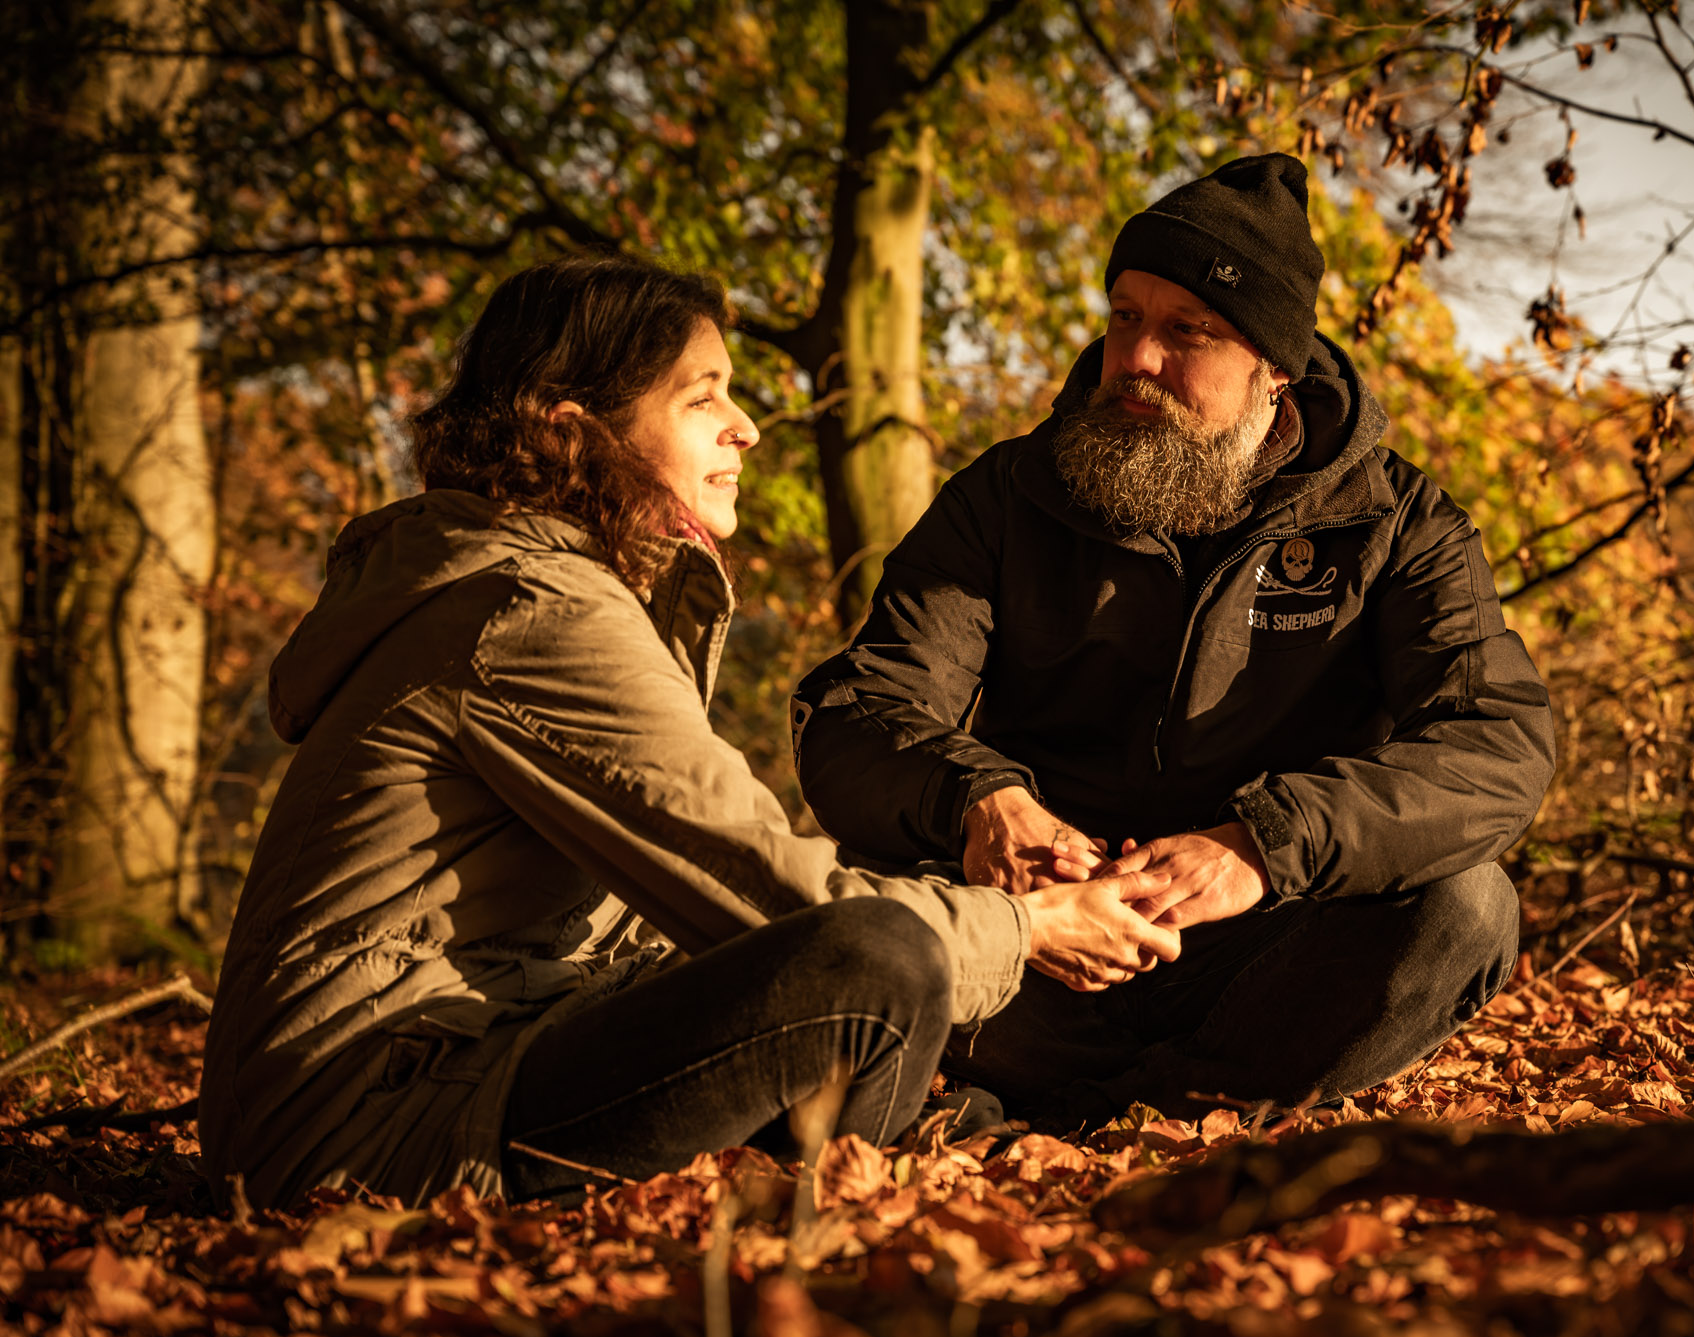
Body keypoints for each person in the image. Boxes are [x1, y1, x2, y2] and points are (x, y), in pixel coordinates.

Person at [199, 255, 1178, 1209]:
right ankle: (841, 1243)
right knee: (877, 959)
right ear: (573, 429)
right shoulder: (532, 609)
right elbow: (771, 896)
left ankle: (931, 1163)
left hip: (456, 1061)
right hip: (365, 1118)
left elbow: (662, 921)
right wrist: (1032, 926)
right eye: (701, 397)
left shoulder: (534, 584)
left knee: (888, 975)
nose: (747, 428)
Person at [791, 154, 1555, 1131]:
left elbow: (1496, 747)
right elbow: (857, 713)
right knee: (847, 916)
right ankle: (1118, 1109)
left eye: (1185, 331)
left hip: (1257, 963)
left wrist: (1262, 848)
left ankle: (1116, 1115)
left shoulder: (1395, 524)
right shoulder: (1004, 496)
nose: (1136, 358)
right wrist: (979, 800)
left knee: (1467, 908)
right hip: (1037, 947)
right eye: (1123, 317)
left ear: (1273, 372)